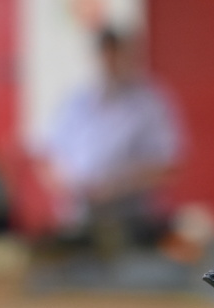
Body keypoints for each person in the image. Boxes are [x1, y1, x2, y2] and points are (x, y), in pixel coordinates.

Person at [37, 27, 185, 247]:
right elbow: (47, 159)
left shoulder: (150, 102)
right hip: (79, 220)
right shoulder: (75, 101)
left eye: (116, 55)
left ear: (129, 57)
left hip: (135, 220)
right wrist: (70, 185)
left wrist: (118, 186)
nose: (109, 63)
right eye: (104, 55)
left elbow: (169, 164)